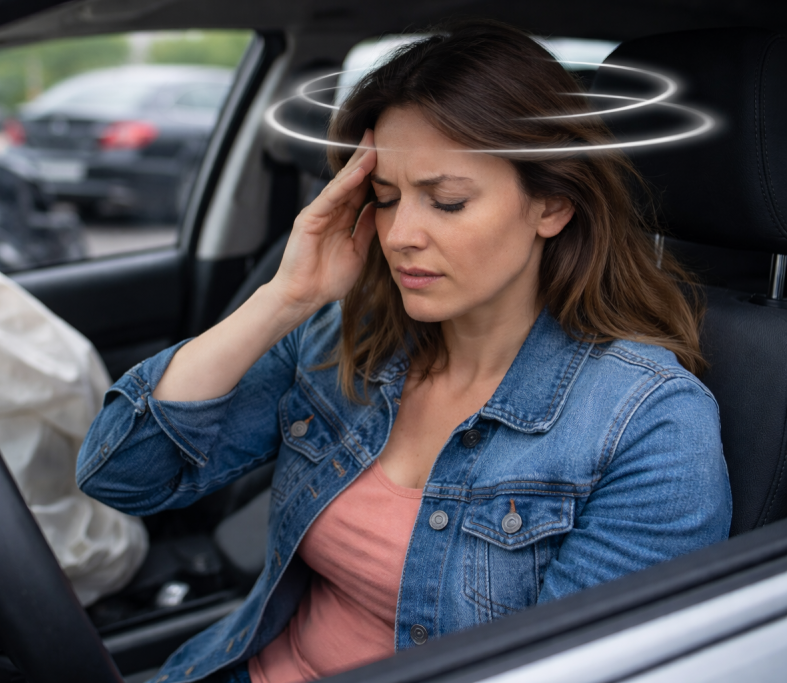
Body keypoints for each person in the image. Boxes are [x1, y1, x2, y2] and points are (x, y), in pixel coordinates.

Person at [77, 20, 731, 683]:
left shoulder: (648, 424)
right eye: (385, 199)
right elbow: (123, 474)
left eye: (446, 202)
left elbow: (574, 669)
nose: (402, 236)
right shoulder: (344, 338)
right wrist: (286, 296)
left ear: (552, 207)